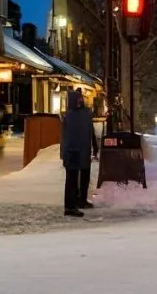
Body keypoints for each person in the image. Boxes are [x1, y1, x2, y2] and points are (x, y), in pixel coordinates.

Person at [60, 88, 98, 217]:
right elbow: (66, 136)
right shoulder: (72, 116)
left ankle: (78, 201)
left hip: (79, 150)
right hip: (75, 151)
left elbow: (89, 131)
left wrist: (94, 146)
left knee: (80, 177)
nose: (80, 101)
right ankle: (71, 206)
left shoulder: (80, 115)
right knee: (72, 179)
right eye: (78, 99)